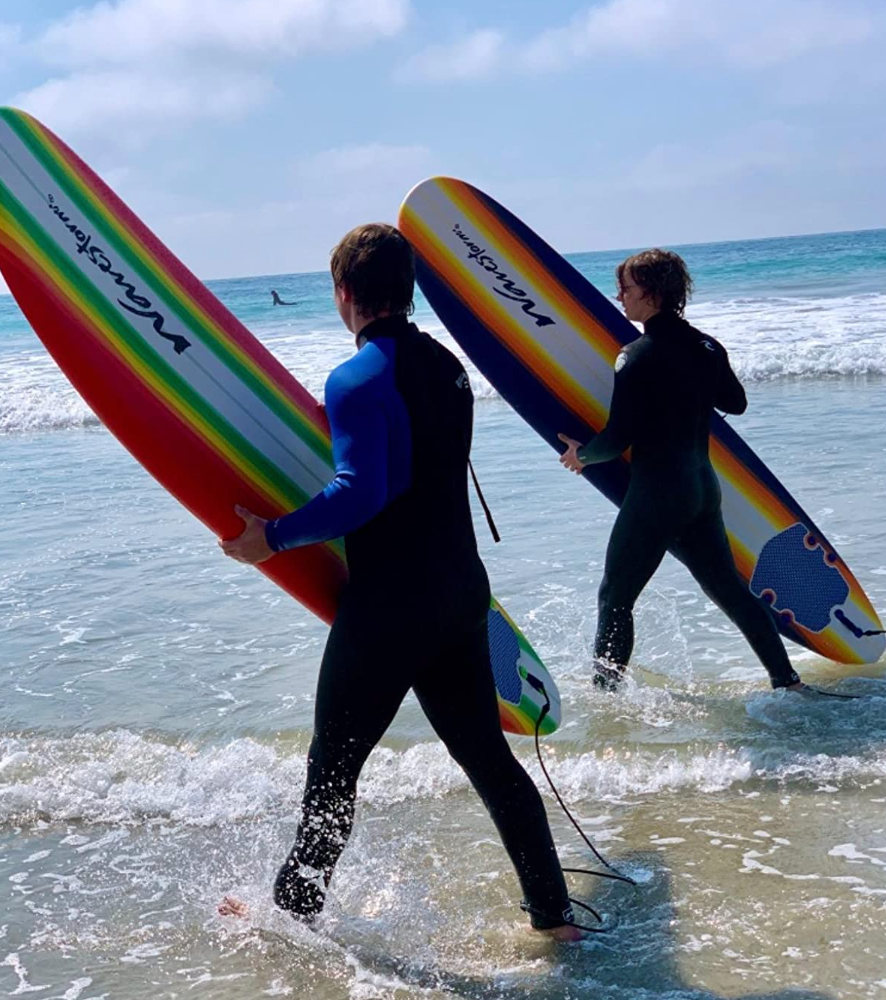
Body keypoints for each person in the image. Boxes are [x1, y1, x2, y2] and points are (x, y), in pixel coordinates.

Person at [221, 224, 580, 941]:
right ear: (405, 290)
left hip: (391, 605)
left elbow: (364, 490)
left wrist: (274, 538)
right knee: (488, 759)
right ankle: (555, 917)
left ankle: (292, 917)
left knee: (333, 770)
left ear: (346, 293)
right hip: (458, 592)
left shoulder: (356, 376)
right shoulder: (447, 366)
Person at [557, 248, 804, 694]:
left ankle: (606, 698)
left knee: (615, 597)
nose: (620, 297)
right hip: (701, 490)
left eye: (627, 288)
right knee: (729, 590)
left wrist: (582, 456)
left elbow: (616, 440)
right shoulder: (707, 346)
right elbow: (736, 403)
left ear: (651, 293)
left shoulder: (636, 356)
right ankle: (787, 681)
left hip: (658, 494)